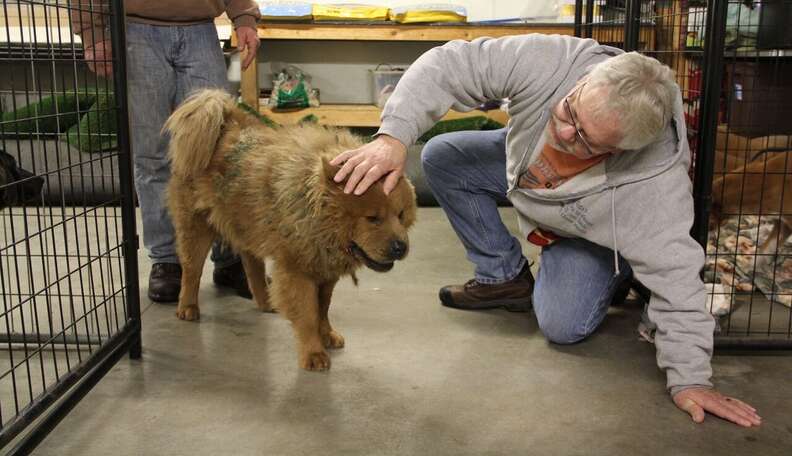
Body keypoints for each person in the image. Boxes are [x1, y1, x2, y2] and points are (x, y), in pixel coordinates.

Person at [330, 34, 761, 427]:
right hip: (524, 175)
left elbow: (680, 281)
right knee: (444, 154)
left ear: (623, 150)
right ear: (584, 81)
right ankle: (502, 278)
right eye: (570, 109)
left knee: (562, 325)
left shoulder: (653, 189)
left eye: (587, 141)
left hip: (589, 230)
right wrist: (393, 136)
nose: (564, 133)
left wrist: (690, 379)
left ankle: (622, 266)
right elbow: (447, 64)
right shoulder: (554, 61)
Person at [71, 1, 261, 302]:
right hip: (136, 29)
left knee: (221, 151)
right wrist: (93, 34)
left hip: (200, 29)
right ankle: (166, 262)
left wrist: (244, 18)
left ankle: (230, 257)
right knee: (152, 153)